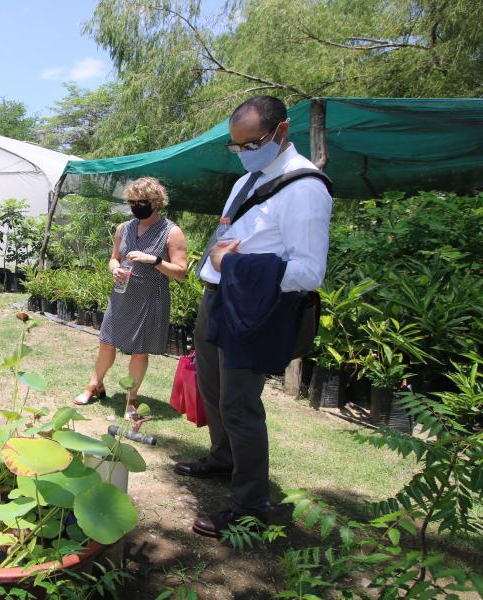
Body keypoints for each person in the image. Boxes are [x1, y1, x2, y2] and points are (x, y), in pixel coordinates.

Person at [174, 95, 332, 538]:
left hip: (254, 308)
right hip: (218, 298)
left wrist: (232, 266)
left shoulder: (304, 187)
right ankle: (224, 458)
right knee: (212, 389)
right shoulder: (248, 180)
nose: (243, 153)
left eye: (252, 144)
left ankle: (250, 506)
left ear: (281, 131)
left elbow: (308, 272)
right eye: (236, 146)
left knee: (240, 405)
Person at [74, 177, 188, 418]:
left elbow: (180, 273)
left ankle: (131, 400)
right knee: (106, 341)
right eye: (132, 202)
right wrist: (115, 268)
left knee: (139, 350)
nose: (136, 207)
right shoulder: (124, 228)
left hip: (150, 298)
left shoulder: (172, 232)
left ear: (156, 202)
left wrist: (154, 260)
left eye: (141, 202)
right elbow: (114, 258)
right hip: (122, 294)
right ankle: (94, 385)